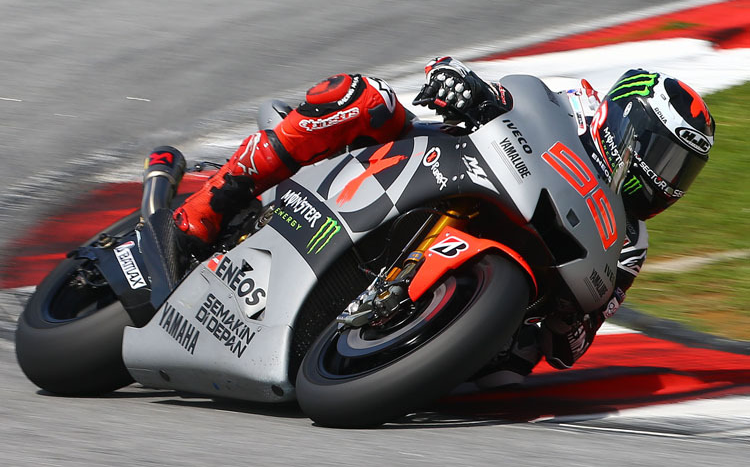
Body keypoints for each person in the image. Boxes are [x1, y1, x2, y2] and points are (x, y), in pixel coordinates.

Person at [167, 57, 715, 385]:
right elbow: (504, 95)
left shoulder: (631, 243)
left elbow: (569, 349)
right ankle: (206, 210)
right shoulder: (576, 104)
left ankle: (402, 353)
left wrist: (568, 321)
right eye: (663, 156)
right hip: (439, 164)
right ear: (627, 126)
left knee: (507, 371)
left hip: (496, 282)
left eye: (682, 172)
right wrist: (460, 85)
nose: (668, 180)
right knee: (364, 99)